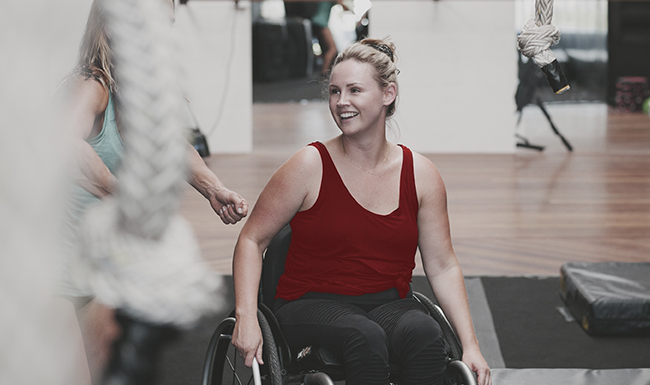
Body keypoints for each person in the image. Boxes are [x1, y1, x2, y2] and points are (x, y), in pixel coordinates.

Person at [232, 38, 491, 385]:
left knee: (425, 333)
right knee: (363, 336)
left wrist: (470, 345)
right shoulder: (309, 165)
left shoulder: (421, 175)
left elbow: (443, 265)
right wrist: (246, 316)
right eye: (335, 92)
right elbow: (251, 240)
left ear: (388, 94)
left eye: (355, 90)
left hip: (388, 302)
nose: (342, 103)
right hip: (308, 303)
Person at [56, 0, 248, 383]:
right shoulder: (90, 85)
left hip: (106, 261)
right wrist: (122, 196)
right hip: (55, 260)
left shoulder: (145, 92)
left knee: (107, 372)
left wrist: (213, 187)